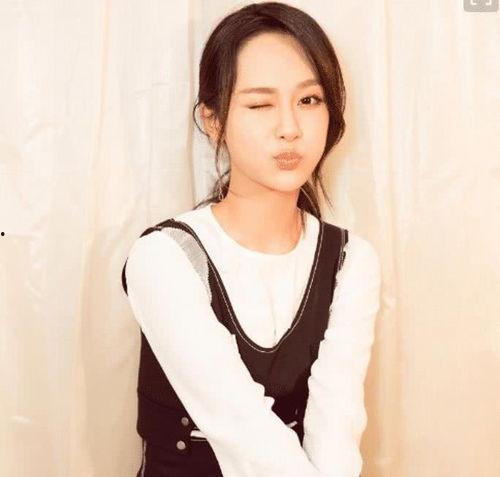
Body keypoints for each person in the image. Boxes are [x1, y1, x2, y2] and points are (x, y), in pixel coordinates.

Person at [121, 2, 381, 476]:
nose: (290, 129)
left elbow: (336, 428)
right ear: (213, 121)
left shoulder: (351, 261)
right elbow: (244, 433)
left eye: (309, 100)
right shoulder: (164, 258)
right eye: (260, 105)